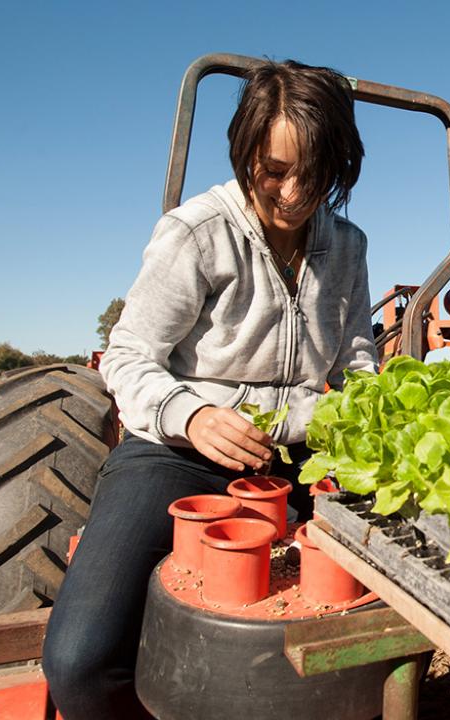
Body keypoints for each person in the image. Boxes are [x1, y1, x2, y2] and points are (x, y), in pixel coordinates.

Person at [42, 59, 376, 719]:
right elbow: (130, 352)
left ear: (339, 166)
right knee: (77, 660)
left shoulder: (349, 245)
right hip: (179, 448)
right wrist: (189, 415)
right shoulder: (197, 232)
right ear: (245, 152)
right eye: (274, 171)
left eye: (313, 176)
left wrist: (357, 410)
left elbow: (358, 350)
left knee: (403, 592)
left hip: (307, 452)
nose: (291, 195)